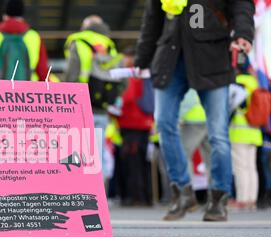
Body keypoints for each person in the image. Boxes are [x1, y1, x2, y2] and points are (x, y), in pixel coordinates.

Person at [135, 0, 255, 222]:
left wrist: (243, 34)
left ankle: (218, 198)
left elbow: (242, 5)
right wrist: (142, 59)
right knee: (163, 123)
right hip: (170, 60)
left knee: (218, 134)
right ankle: (182, 192)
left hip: (212, 58)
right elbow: (152, 21)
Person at [64, 15, 123, 171]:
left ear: (86, 26)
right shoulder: (110, 45)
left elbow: (72, 73)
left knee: (76, 153)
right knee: (99, 151)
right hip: (102, 107)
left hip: (79, 105)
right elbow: (120, 78)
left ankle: (81, 192)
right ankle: (101, 191)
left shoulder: (78, 41)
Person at [0, 0, 50, 81]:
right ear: (22, 14)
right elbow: (43, 72)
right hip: (27, 90)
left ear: (4, 14)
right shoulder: (34, 36)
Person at [118, 47, 154, 206]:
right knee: (143, 162)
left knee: (132, 163)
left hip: (131, 123)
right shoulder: (145, 74)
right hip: (145, 123)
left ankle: (136, 197)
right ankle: (146, 197)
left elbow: (128, 97)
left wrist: (114, 107)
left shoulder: (130, 75)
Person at [229, 65, 263, 211]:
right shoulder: (255, 83)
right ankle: (251, 200)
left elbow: (233, 106)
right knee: (251, 167)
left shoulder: (237, 83)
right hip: (255, 132)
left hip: (239, 132)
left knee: (240, 168)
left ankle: (242, 200)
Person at [180, 89, 211, 182]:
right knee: (211, 159)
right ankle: (215, 192)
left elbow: (188, 100)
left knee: (183, 156)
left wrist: (179, 116)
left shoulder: (186, 78)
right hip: (208, 119)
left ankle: (186, 191)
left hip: (192, 121)